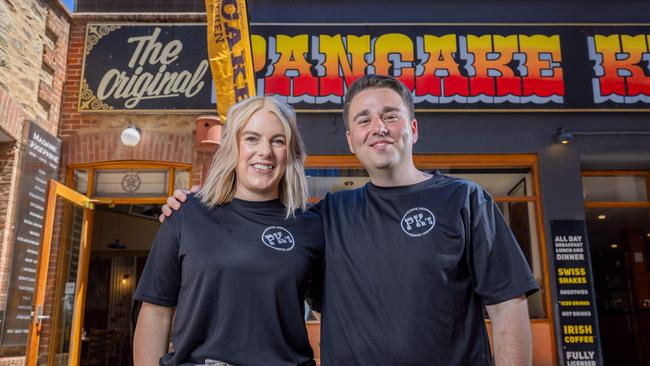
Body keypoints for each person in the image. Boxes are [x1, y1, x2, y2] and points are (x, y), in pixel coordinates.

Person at [161, 75, 539, 365]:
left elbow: (508, 306)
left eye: (391, 116)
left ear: (413, 128)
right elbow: (255, 229)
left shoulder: (464, 200)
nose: (379, 127)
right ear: (351, 139)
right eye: (364, 119)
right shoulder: (328, 216)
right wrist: (202, 203)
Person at [134, 96, 324, 366]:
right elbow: (156, 312)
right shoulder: (186, 215)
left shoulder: (310, 226)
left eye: (278, 140)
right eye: (251, 138)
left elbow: (333, 314)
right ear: (233, 147)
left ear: (290, 152)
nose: (265, 151)